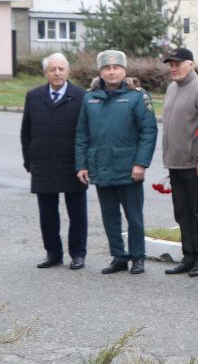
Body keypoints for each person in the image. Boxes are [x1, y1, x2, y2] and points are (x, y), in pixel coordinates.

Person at [74, 50, 157, 274]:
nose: (111, 72)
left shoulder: (137, 96)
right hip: (100, 166)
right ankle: (119, 256)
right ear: (100, 72)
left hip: (129, 169)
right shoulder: (89, 97)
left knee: (134, 218)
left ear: (124, 70)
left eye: (116, 68)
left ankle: (138, 257)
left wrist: (141, 164)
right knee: (110, 217)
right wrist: (81, 165)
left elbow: (148, 132)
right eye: (106, 68)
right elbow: (82, 133)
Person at [21, 52, 88, 270]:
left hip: (73, 164)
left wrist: (85, 162)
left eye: (61, 69)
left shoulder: (81, 96)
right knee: (47, 214)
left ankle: (78, 254)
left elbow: (87, 133)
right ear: (46, 73)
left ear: (68, 71)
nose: (57, 73)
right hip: (43, 163)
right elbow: (26, 132)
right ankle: (53, 253)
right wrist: (29, 160)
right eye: (53, 69)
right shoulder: (33, 96)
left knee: (77, 213)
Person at [160, 46, 198, 278]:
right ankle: (188, 256)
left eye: (177, 63)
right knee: (182, 213)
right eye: (171, 64)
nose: (173, 68)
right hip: (175, 163)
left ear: (190, 64)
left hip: (195, 164)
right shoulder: (172, 88)